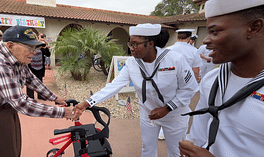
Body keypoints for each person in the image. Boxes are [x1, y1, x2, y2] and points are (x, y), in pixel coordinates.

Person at [73, 23, 199, 157]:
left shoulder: (174, 59)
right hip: (148, 113)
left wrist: (167, 108)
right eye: (130, 44)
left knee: (175, 151)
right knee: (147, 148)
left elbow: (190, 88)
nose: (131, 49)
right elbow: (114, 86)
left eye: (135, 44)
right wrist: (87, 103)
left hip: (175, 114)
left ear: (150, 43)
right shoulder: (132, 64)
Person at [0, 25, 74, 157]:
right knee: (2, 153)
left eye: (35, 47)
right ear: (10, 45)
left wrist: (55, 98)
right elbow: (21, 103)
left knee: (13, 149)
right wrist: (63, 112)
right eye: (30, 48)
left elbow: (31, 79)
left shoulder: (15, 56)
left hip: (4, 108)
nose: (34, 52)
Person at [179, 1, 264, 157]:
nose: (205, 40)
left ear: (254, 27)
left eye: (215, 32)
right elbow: (198, 134)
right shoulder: (212, 80)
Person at [26, 32, 51, 100]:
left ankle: (40, 96)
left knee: (40, 83)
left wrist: (46, 47)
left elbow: (48, 54)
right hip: (31, 68)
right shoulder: (28, 45)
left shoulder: (41, 46)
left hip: (40, 68)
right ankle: (30, 96)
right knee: (30, 82)